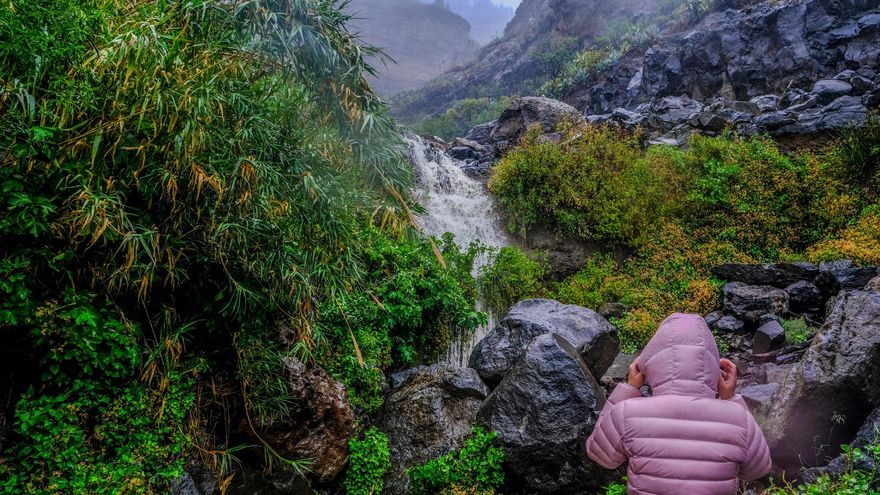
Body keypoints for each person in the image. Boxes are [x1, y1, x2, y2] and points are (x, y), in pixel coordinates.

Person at [586, 313, 772, 494]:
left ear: (651, 362)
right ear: (713, 365)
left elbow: (599, 454)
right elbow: (758, 469)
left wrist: (629, 389)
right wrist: (731, 399)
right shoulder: (739, 418)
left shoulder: (627, 412)